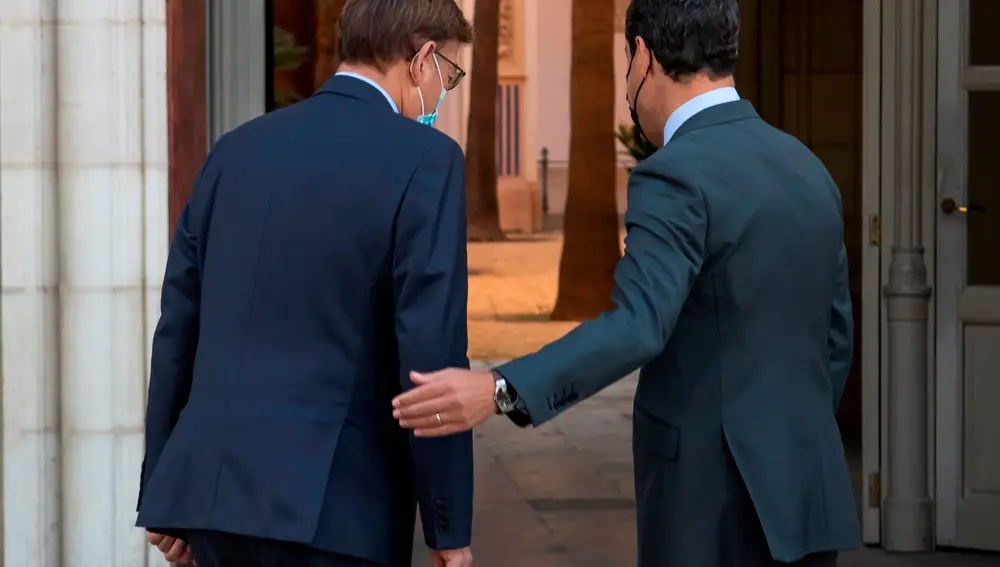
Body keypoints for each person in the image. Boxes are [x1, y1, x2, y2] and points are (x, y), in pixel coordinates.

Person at [391, 0, 861, 565]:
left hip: (711, 502)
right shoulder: (808, 168)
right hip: (808, 496)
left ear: (642, 57)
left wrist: (498, 388)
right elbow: (834, 339)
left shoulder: (675, 172)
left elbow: (639, 325)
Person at [136, 1, 475, 566]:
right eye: (450, 75)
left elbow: (178, 328)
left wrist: (165, 489)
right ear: (422, 59)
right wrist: (448, 526)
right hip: (339, 512)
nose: (444, 92)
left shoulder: (233, 151)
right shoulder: (427, 159)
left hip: (213, 499)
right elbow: (430, 357)